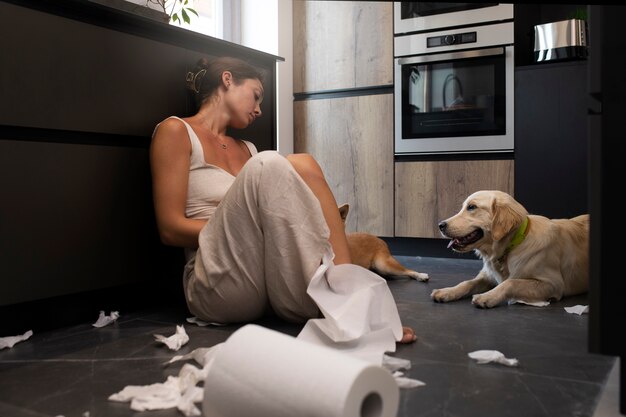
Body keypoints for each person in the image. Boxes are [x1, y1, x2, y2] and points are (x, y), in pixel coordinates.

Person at [149, 56, 416, 343]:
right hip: (216, 284)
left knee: (302, 162)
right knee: (270, 163)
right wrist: (249, 227)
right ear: (228, 80)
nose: (259, 110)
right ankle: (349, 305)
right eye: (256, 96)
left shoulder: (247, 148)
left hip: (269, 288)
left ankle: (346, 292)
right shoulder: (176, 131)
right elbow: (170, 229)